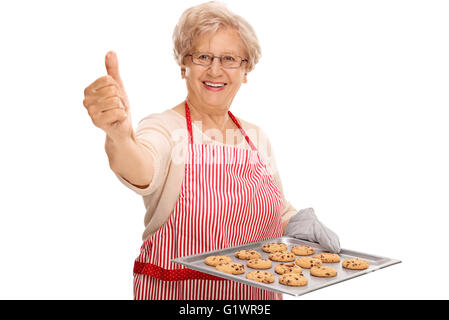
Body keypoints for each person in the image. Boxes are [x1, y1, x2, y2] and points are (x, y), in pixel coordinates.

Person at [83, 1, 340, 300]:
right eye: (203, 56)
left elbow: (275, 211)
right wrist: (119, 135)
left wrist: (295, 222)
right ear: (184, 66)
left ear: (246, 70)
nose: (215, 70)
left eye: (229, 58)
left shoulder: (257, 138)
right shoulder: (165, 128)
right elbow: (140, 167)